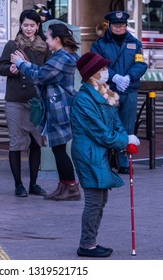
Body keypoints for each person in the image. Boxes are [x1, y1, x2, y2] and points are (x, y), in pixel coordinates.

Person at [71, 52, 140, 257]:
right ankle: (87, 245)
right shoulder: (84, 99)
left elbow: (115, 121)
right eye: (101, 69)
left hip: (98, 153)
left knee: (101, 200)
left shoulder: (104, 92)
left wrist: (124, 135)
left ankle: (90, 241)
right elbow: (100, 132)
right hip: (89, 154)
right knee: (94, 201)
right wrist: (123, 141)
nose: (106, 72)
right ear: (92, 74)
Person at [11, 23, 81, 201]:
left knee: (59, 149)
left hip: (59, 108)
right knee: (58, 148)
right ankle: (64, 185)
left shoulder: (63, 57)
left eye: (48, 37)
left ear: (57, 39)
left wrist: (21, 64)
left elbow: (40, 77)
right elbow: (44, 72)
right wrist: (26, 64)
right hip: (56, 107)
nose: (46, 40)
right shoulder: (61, 55)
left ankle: (71, 186)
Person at [0, 9, 51, 197]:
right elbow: (0, 67)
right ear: (20, 25)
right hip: (15, 100)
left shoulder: (45, 47)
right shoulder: (13, 45)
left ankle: (34, 184)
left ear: (38, 27)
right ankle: (18, 184)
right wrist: (11, 69)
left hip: (36, 101)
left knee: (36, 143)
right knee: (16, 143)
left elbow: (48, 71)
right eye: (25, 25)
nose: (28, 28)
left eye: (32, 25)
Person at [91, 11, 148, 174]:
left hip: (129, 90)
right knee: (107, 124)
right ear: (110, 26)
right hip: (108, 89)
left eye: (122, 26)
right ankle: (107, 159)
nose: (118, 29)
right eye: (116, 26)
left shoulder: (134, 43)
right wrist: (115, 77)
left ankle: (124, 161)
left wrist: (129, 77)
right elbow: (96, 64)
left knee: (127, 126)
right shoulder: (99, 44)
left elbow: (141, 64)